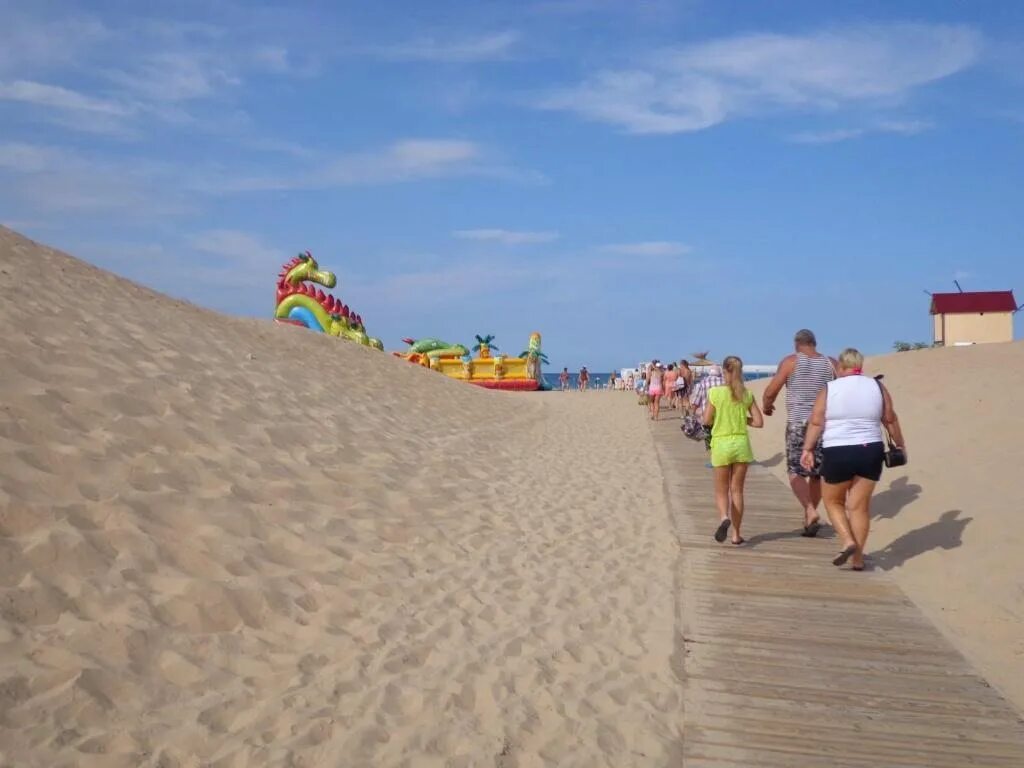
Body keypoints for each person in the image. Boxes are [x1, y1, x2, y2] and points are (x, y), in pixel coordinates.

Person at [801, 348, 906, 570]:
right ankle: (857, 559)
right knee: (859, 507)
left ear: (840, 367)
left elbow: (817, 421)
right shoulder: (876, 386)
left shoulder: (830, 388)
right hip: (870, 450)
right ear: (860, 366)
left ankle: (847, 540)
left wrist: (807, 449)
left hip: (838, 450)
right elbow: (889, 418)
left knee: (833, 502)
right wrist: (900, 444)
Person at [762, 329, 837, 536]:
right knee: (816, 473)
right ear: (815, 343)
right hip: (822, 424)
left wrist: (767, 406)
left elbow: (771, 390)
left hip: (797, 423)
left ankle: (810, 510)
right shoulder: (831, 363)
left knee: (795, 470)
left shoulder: (791, 361)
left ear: (797, 344)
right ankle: (809, 517)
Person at [703, 356, 764, 545]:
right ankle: (736, 534)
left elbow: (706, 420)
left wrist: (719, 419)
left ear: (724, 372)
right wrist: (742, 419)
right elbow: (759, 422)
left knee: (721, 490)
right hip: (741, 444)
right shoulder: (746, 394)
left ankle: (723, 517)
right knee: (737, 490)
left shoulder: (715, 393)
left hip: (721, 444)